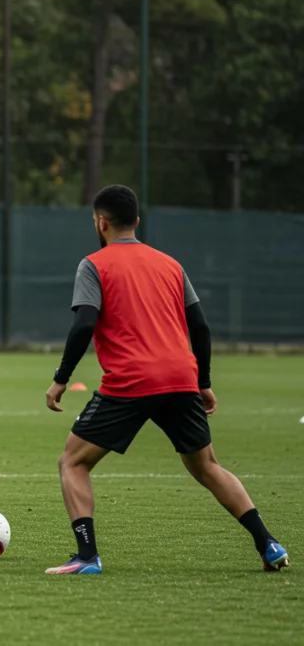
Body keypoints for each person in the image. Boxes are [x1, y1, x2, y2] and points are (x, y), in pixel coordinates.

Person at [43, 184, 289, 574]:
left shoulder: (94, 264)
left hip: (131, 380)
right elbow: (201, 327)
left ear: (100, 222)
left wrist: (61, 378)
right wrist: (203, 381)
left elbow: (84, 324)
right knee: (207, 466)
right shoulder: (170, 264)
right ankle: (269, 544)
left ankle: (87, 556)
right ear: (137, 222)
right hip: (180, 377)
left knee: (73, 462)